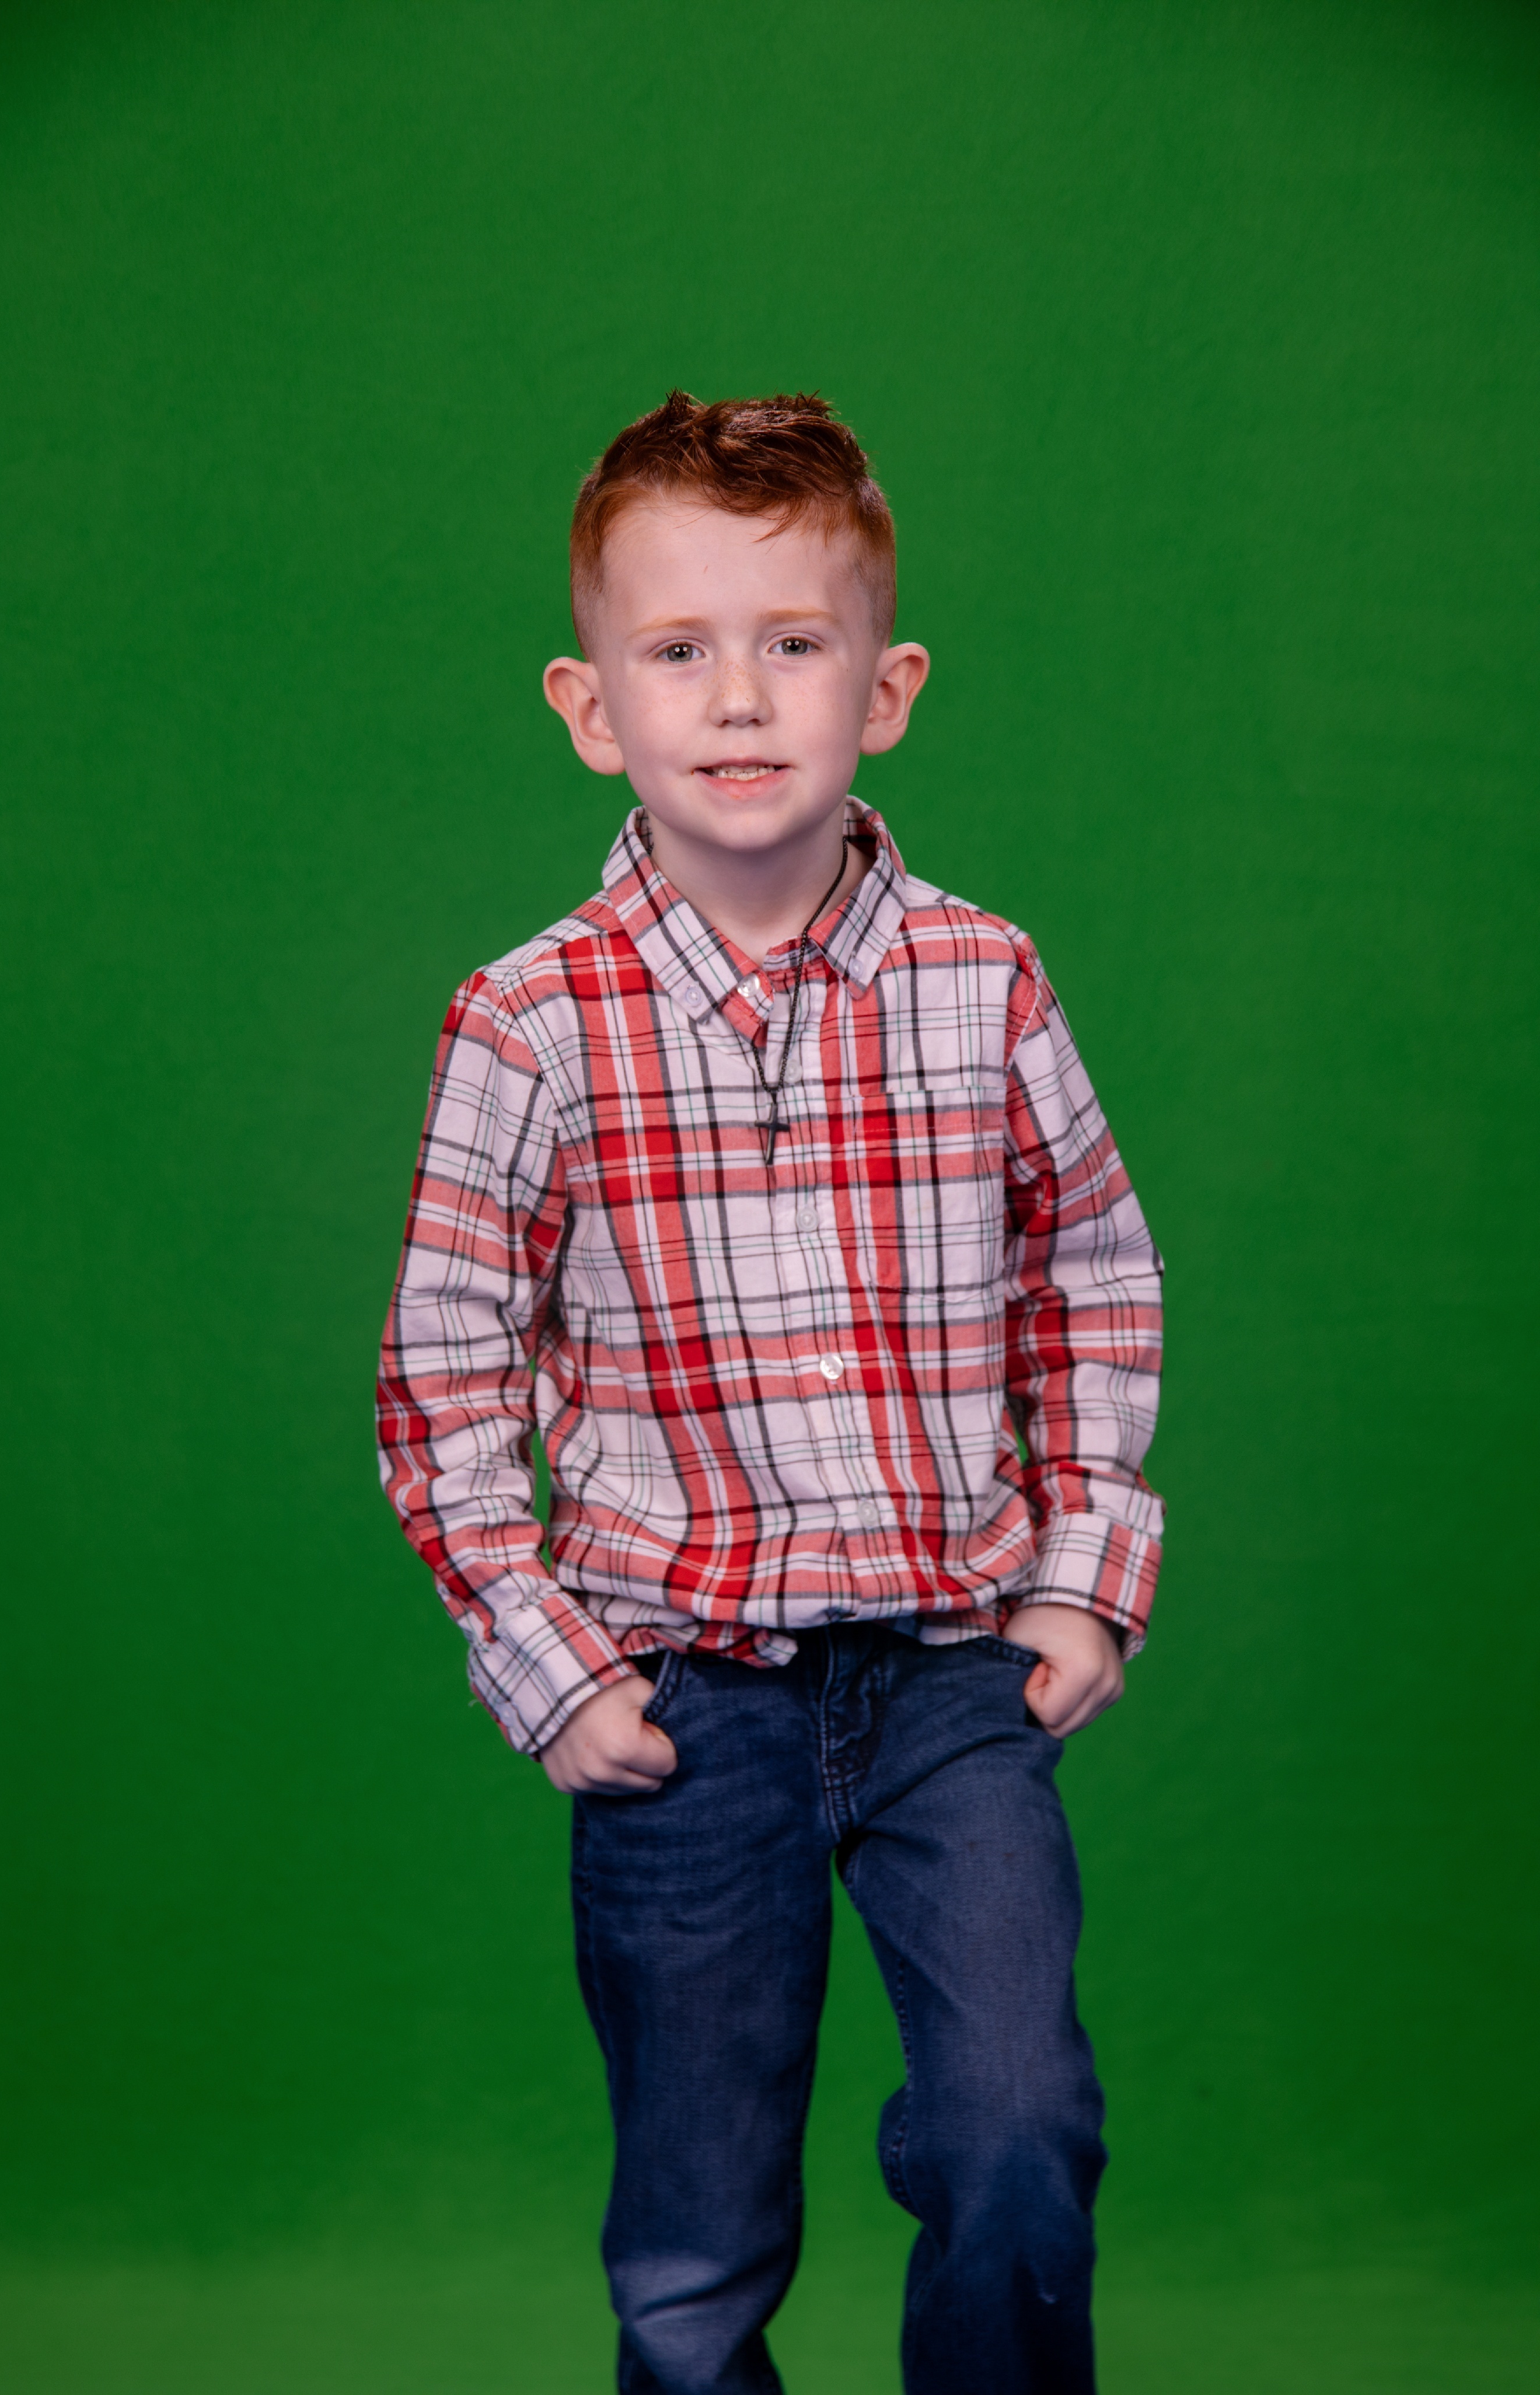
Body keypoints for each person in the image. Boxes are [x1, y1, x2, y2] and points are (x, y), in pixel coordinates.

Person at [376, 391, 1164, 2395]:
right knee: (696, 2234)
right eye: (678, 650)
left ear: (884, 690)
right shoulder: (529, 1023)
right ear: (590, 709)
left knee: (1016, 2128)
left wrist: (1083, 1574)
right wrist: (550, 1664)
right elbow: (444, 1371)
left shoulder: (986, 982)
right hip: (682, 1697)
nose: (739, 697)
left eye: (794, 643)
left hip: (950, 1675)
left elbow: (1093, 1279)